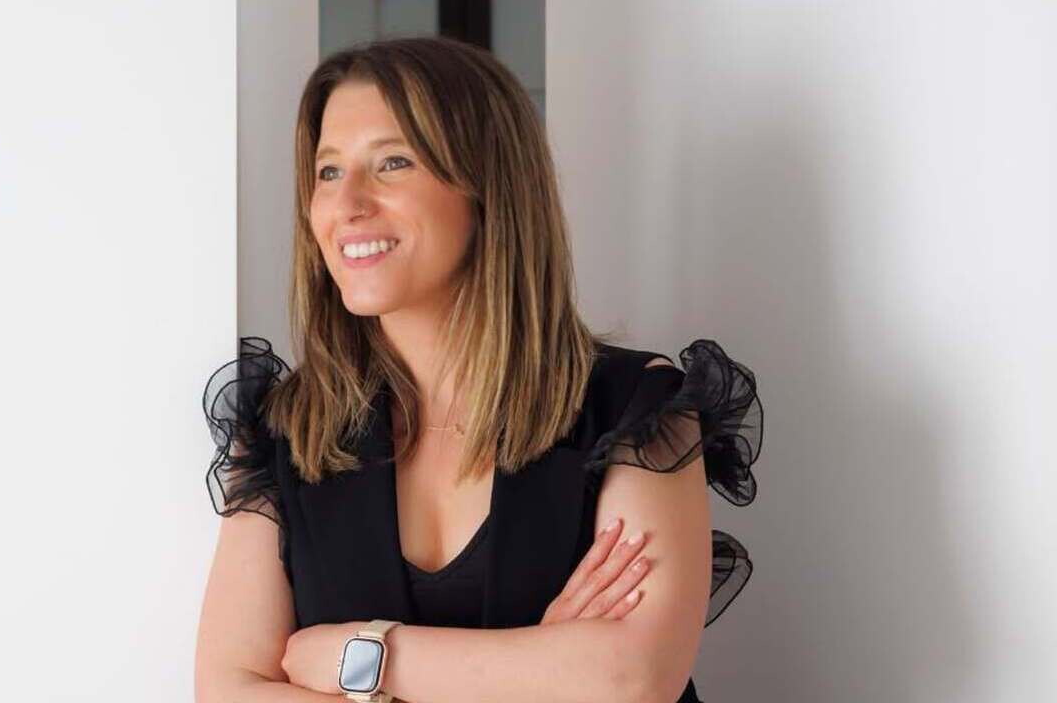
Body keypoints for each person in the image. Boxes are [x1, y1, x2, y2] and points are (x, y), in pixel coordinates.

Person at [194, 36, 763, 703]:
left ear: (488, 187)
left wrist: (363, 658)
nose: (347, 205)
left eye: (393, 163)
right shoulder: (283, 429)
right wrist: (533, 673)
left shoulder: (635, 405)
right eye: (327, 171)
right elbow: (228, 691)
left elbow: (629, 679)